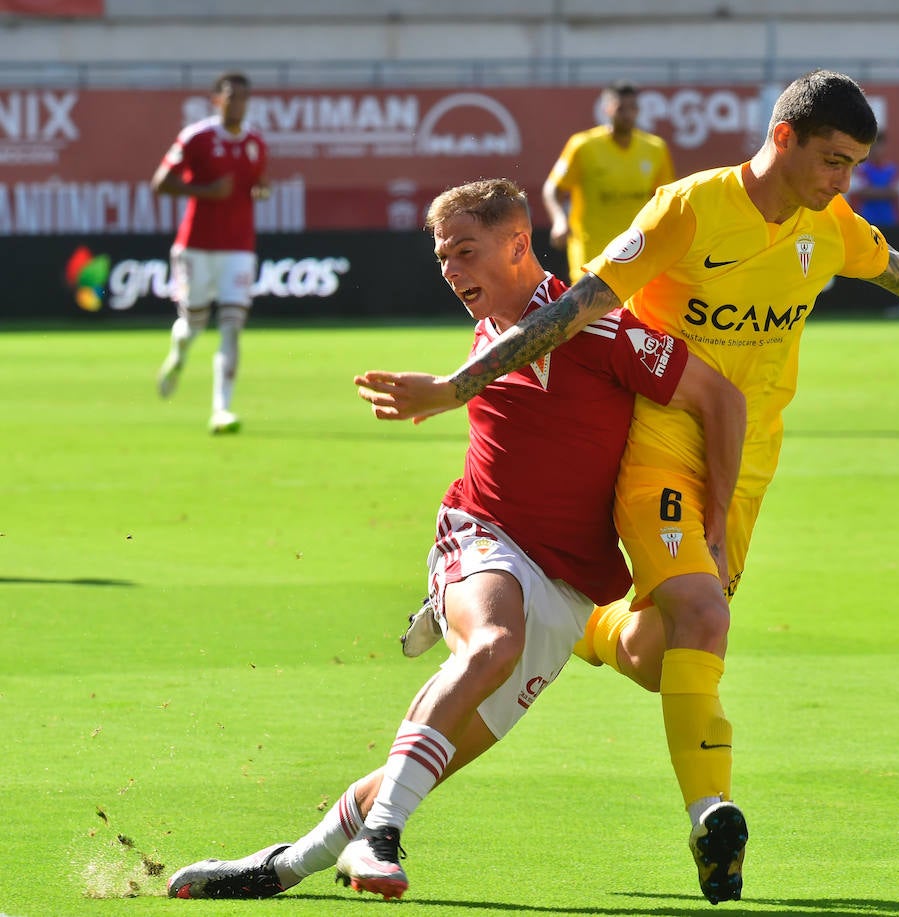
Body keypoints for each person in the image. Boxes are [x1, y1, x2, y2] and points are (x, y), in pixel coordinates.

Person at [374, 69, 899, 904]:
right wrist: (457, 384)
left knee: (660, 653)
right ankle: (711, 818)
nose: (843, 181)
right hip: (658, 443)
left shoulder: (829, 226)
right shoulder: (688, 209)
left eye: (854, 166)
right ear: (783, 139)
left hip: (749, 457)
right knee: (703, 609)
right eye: (833, 160)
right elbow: (581, 302)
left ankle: (586, 624)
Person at [163, 179, 745, 901]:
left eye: (464, 252)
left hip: (565, 590)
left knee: (426, 760)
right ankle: (381, 839)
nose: (451, 271)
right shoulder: (502, 328)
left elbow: (721, 396)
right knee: (492, 644)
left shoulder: (598, 328)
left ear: (517, 243)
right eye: (442, 257)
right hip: (481, 534)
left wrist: (716, 518)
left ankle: (283, 864)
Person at [151, 70, 270, 434]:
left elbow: (257, 184)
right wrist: (206, 190)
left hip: (238, 246)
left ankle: (222, 409)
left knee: (232, 326)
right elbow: (160, 184)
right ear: (217, 100)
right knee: (194, 324)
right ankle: (178, 354)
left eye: (243, 97)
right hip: (196, 247)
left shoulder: (255, 144)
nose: (237, 104)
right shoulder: (196, 138)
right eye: (231, 96)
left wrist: (262, 190)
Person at [542, 80, 675, 278]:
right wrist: (559, 220)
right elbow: (552, 188)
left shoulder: (655, 148)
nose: (628, 114)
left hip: (636, 252)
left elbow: (665, 198)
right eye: (622, 108)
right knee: (592, 308)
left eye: (633, 108)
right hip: (591, 254)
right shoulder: (583, 145)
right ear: (607, 109)